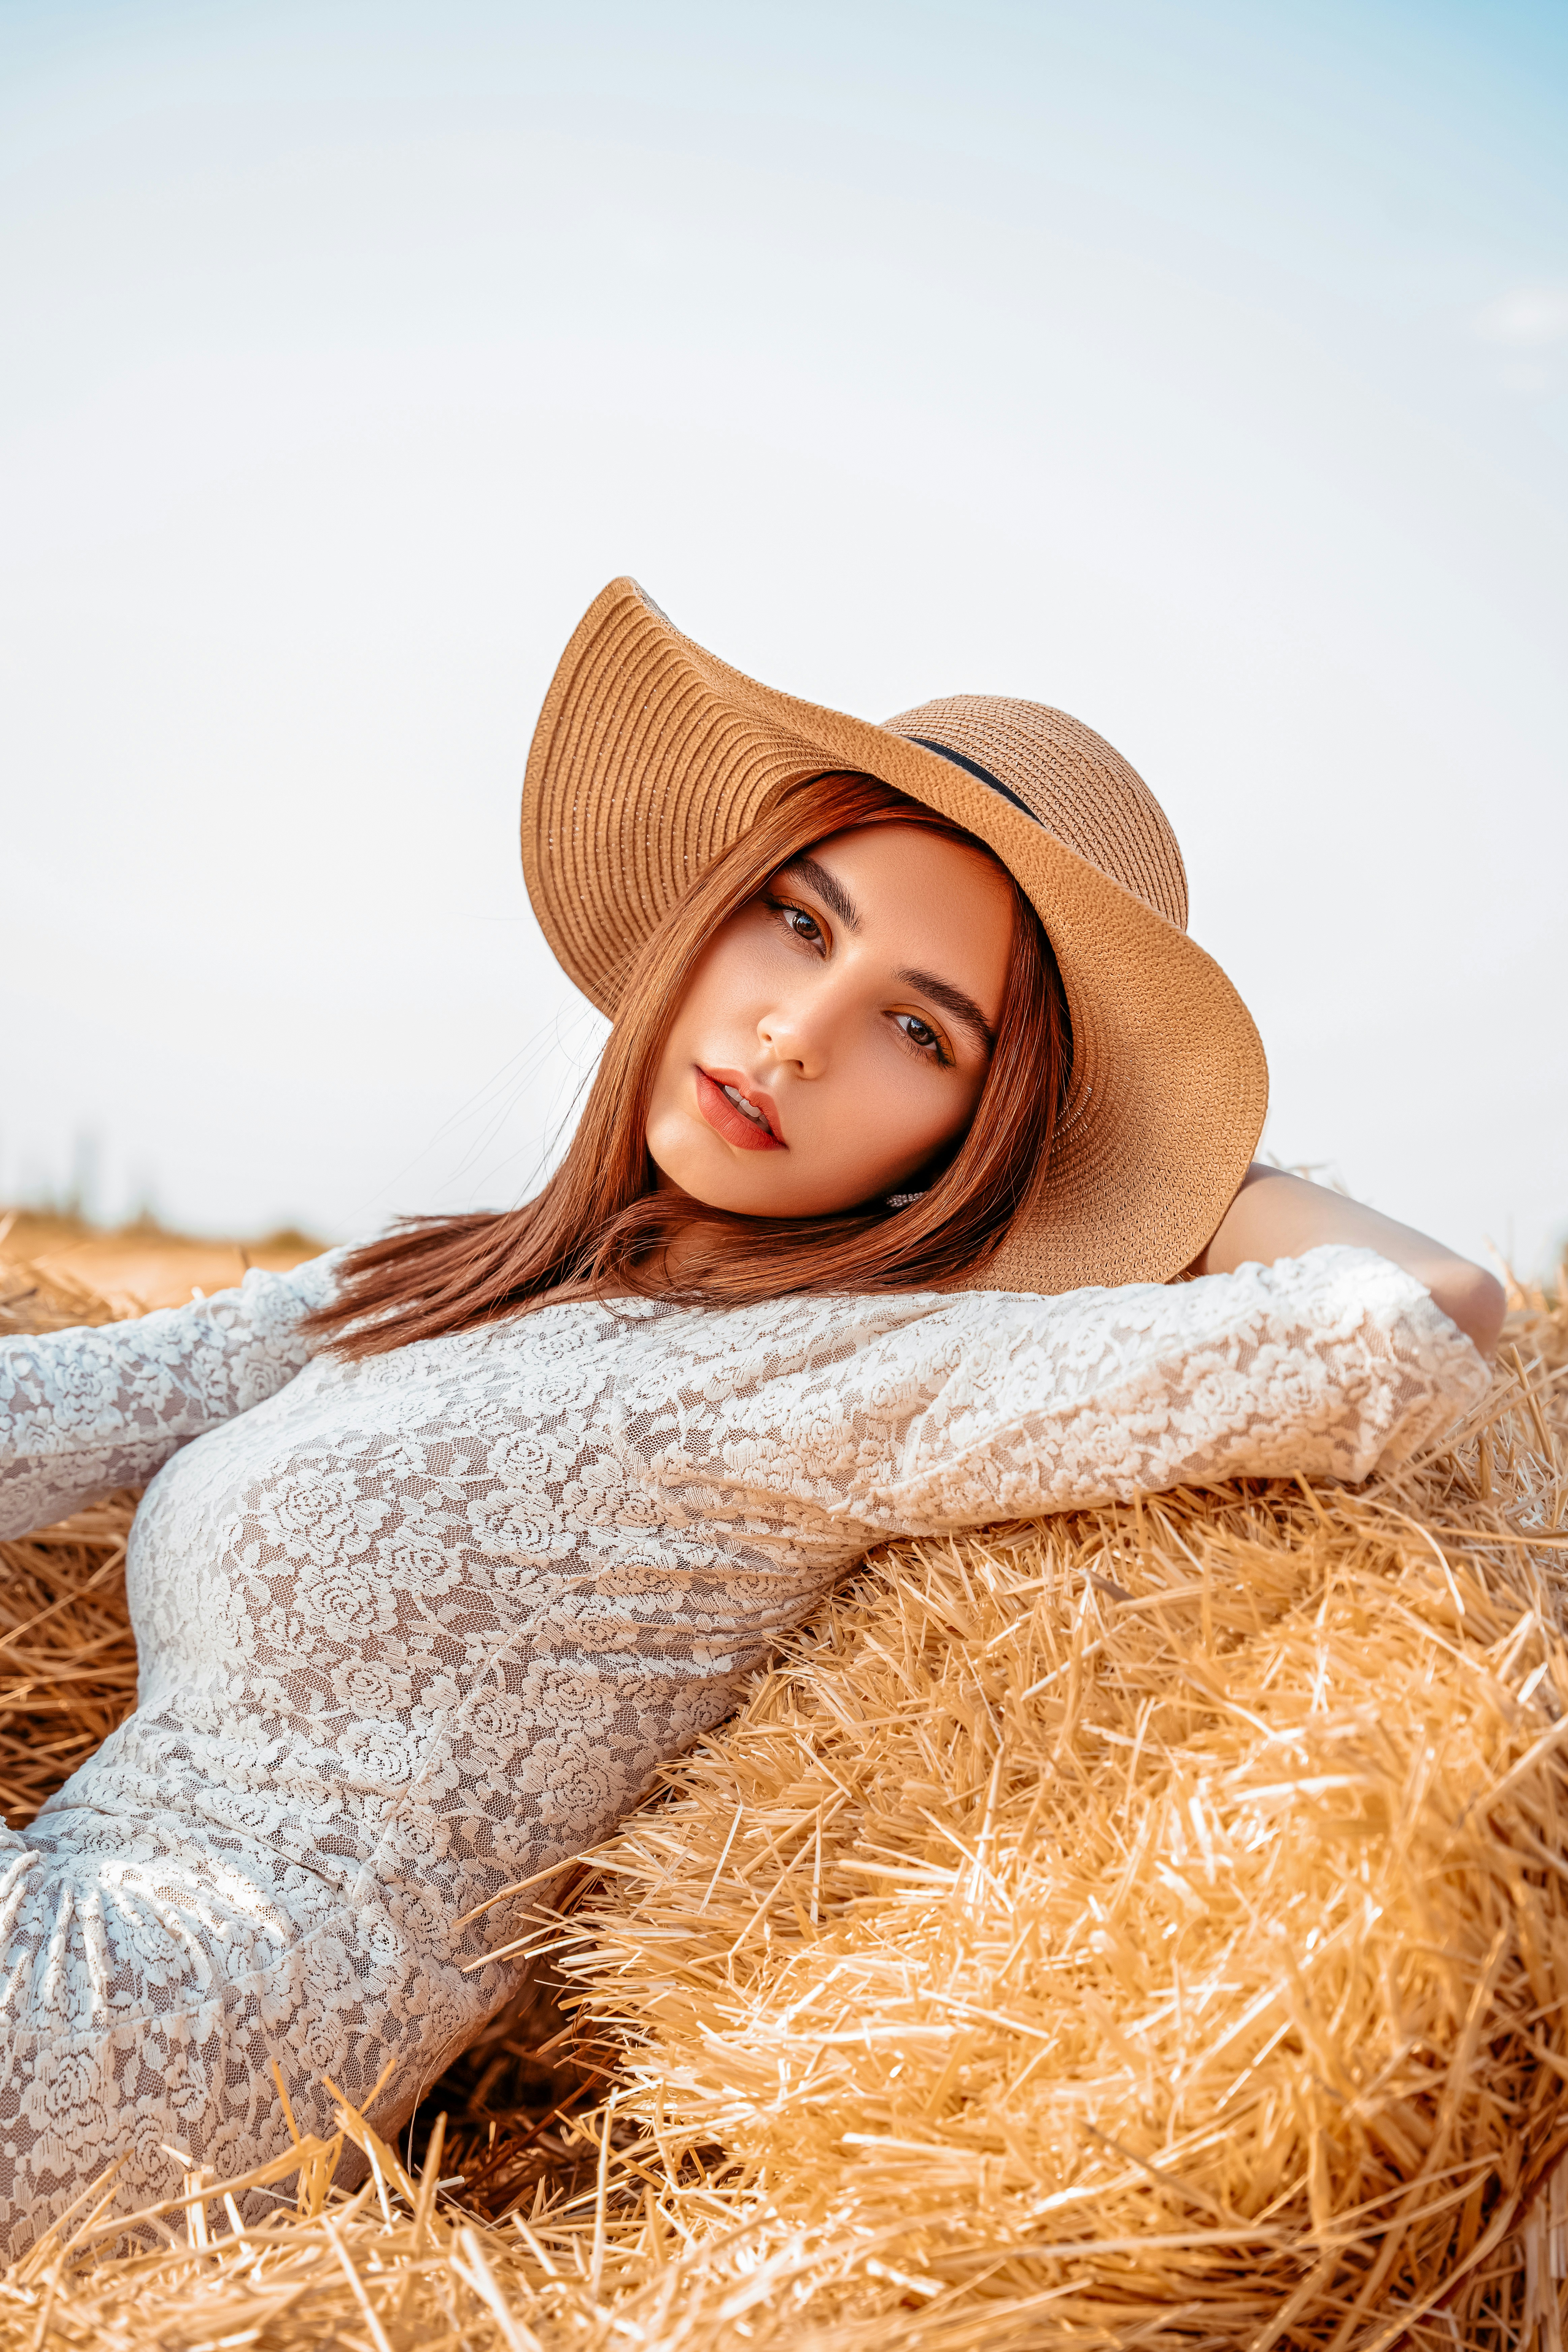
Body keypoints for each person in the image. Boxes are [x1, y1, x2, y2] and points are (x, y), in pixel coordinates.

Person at [0, 578, 1502, 2253]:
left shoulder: (830, 1380)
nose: (797, 1033)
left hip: (156, 2056)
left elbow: (1422, 1322)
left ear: (976, 1132)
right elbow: (42, 1408)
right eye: (798, 920)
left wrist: (1168, 1172)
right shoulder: (427, 1280)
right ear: (703, 917)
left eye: (918, 1031)